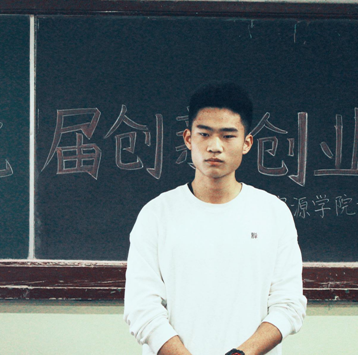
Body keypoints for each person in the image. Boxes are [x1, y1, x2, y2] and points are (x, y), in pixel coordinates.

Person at [123, 81, 307, 355]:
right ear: (188, 138)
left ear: (246, 143)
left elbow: (289, 305)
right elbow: (142, 309)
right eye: (204, 134)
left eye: (228, 136)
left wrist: (241, 354)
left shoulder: (273, 213)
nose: (215, 146)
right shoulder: (156, 214)